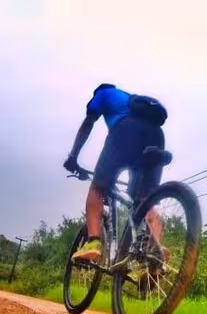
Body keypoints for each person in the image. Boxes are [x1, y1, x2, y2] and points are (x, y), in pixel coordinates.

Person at [63, 83, 168, 275]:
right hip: (156, 136)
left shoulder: (103, 93)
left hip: (125, 132)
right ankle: (155, 252)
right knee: (145, 200)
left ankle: (93, 242)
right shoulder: (132, 100)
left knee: (98, 189)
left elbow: (88, 122)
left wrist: (73, 157)